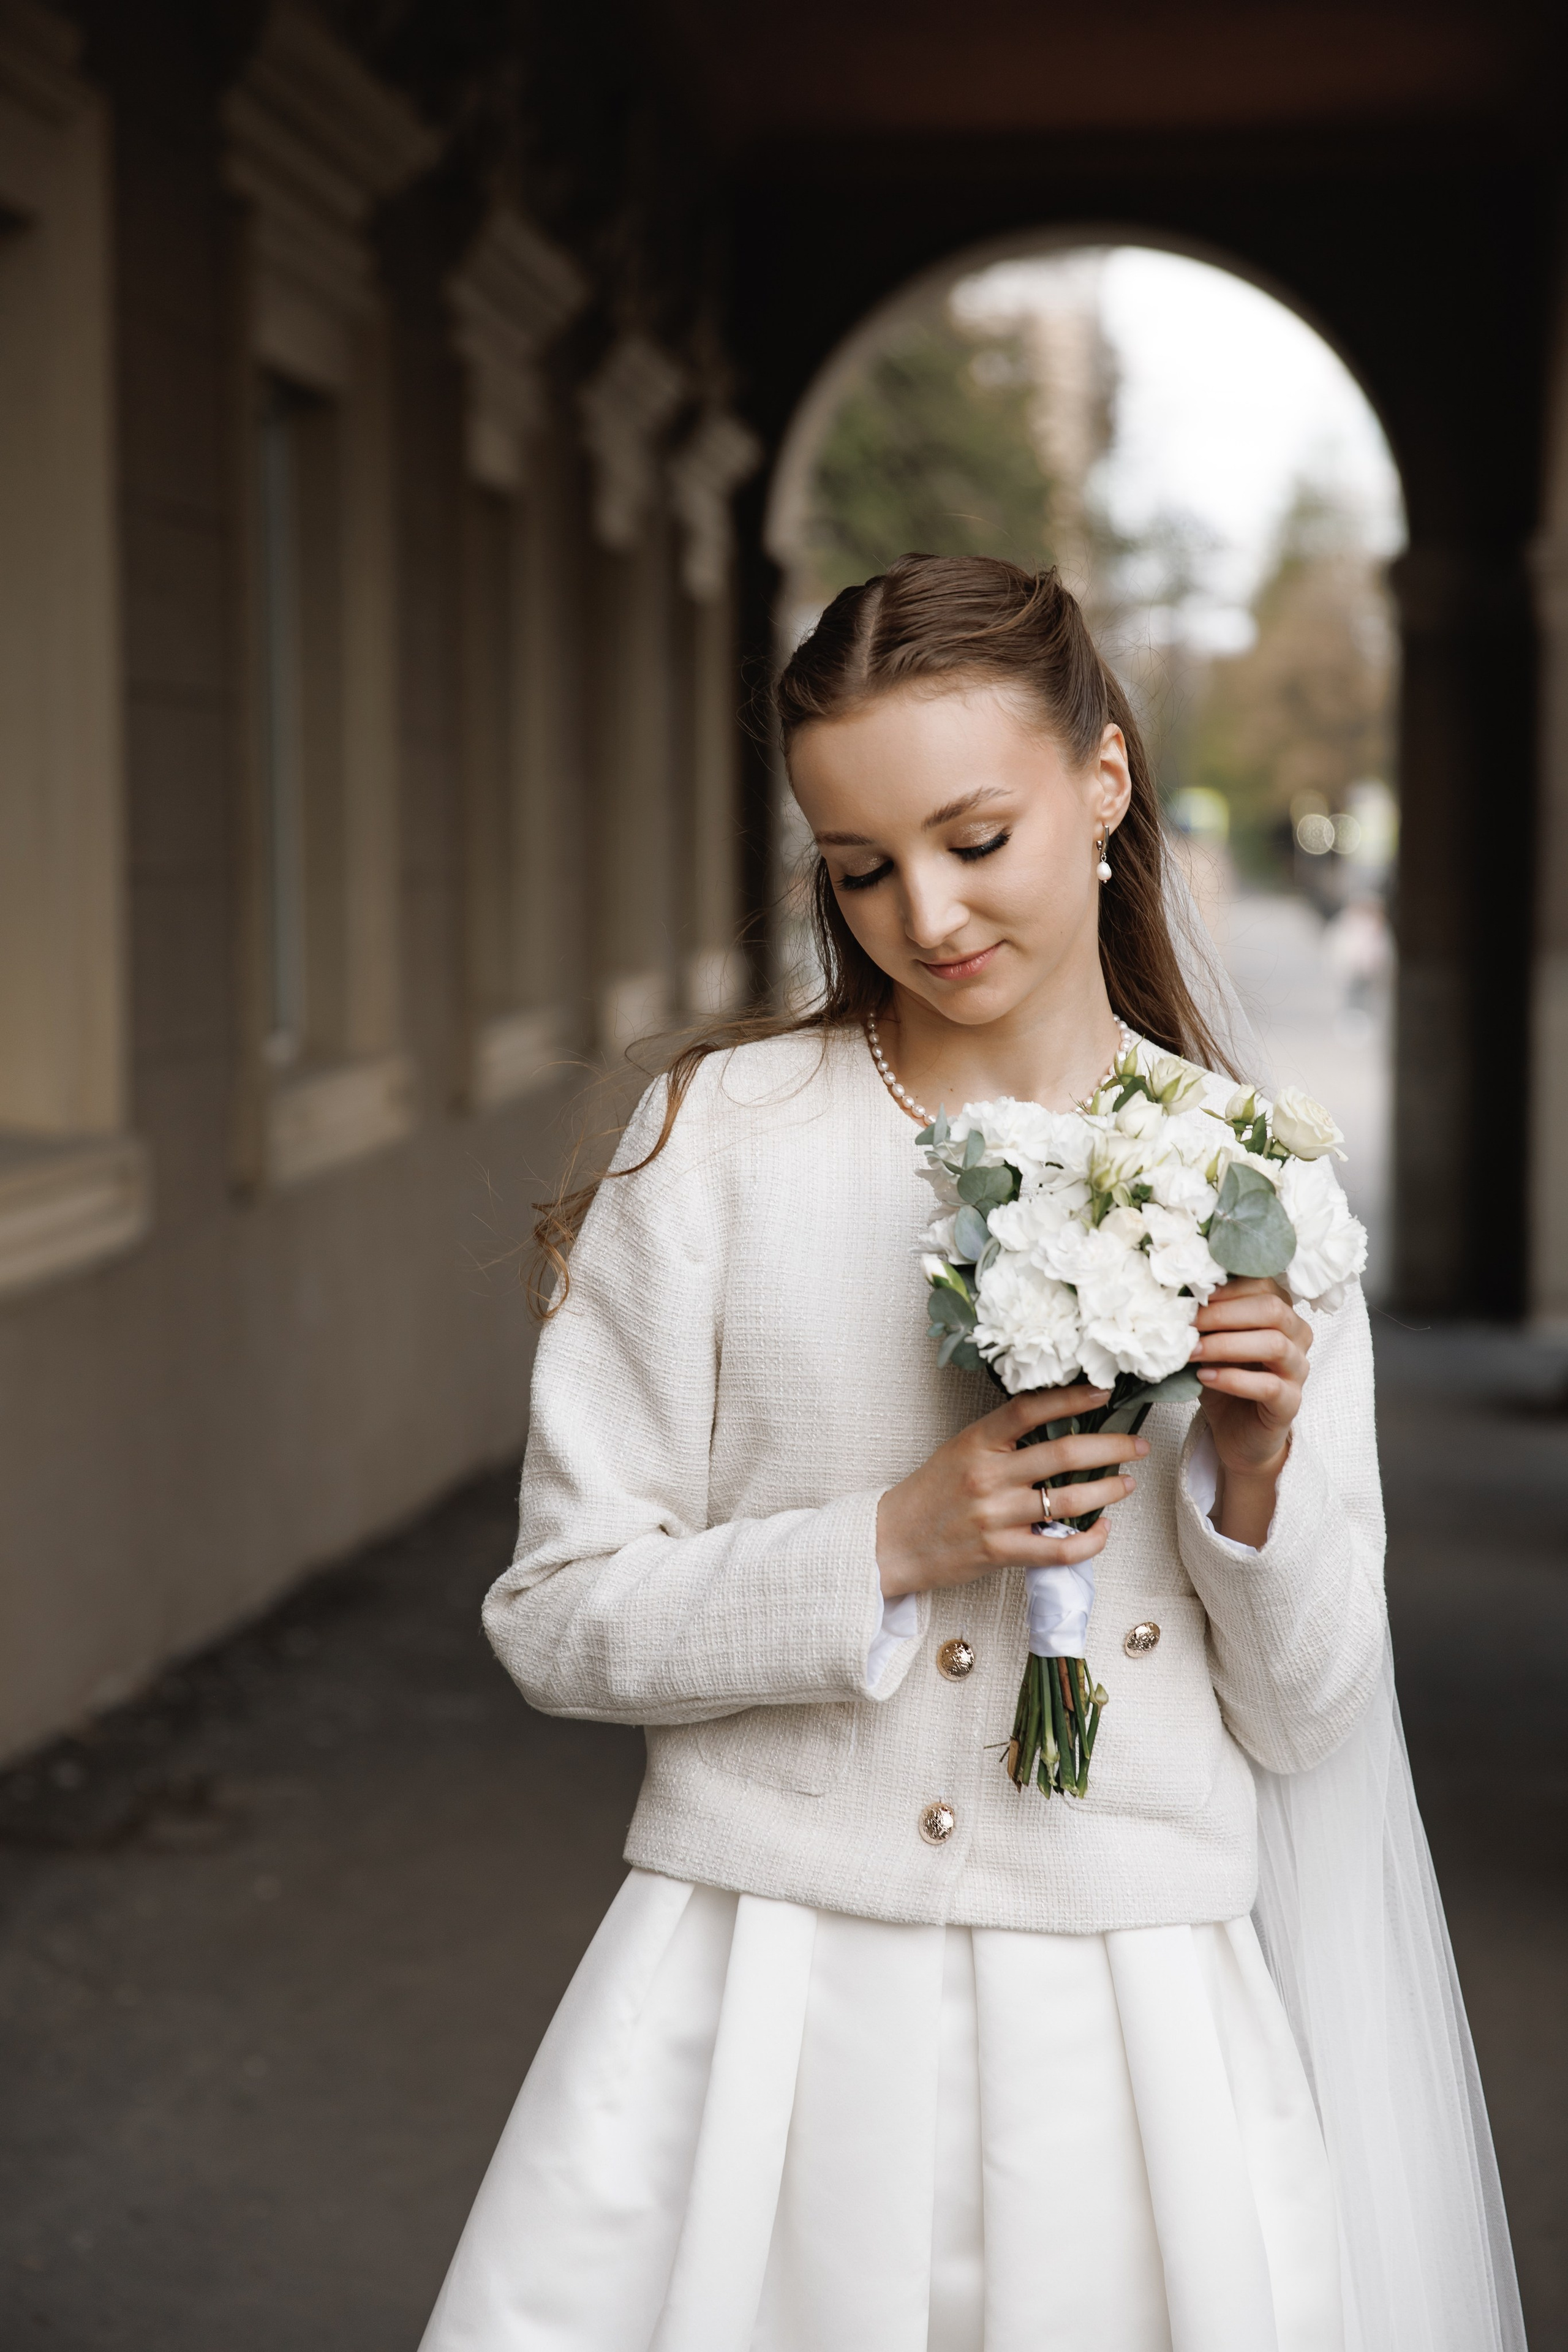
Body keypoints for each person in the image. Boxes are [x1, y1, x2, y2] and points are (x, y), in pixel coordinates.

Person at [420, 557, 1523, 2352]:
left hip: (1132, 2011)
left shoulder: (1261, 1179)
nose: (921, 912)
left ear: (1105, 784)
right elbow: (557, 1617)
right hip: (765, 1988)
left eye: (973, 836)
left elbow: (1315, 1719)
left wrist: (1252, 1477)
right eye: (859, 868)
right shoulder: (717, 1144)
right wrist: (889, 1540)